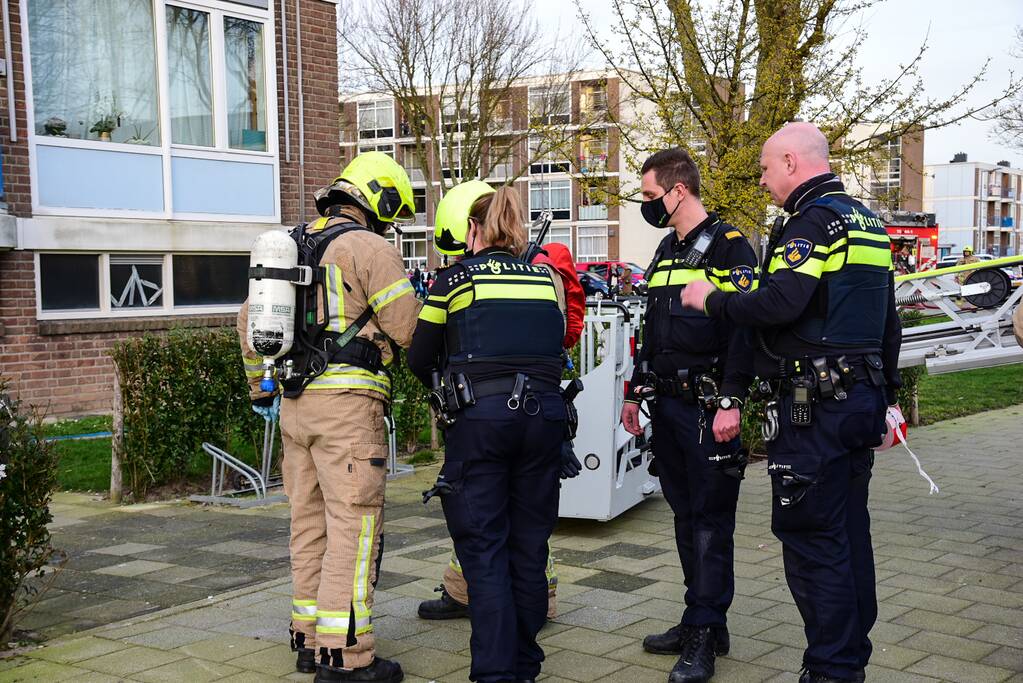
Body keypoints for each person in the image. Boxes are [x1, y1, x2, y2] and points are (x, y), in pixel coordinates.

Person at [681, 122, 902, 683]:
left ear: (788, 161)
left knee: (812, 538)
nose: (760, 181)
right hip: (859, 399)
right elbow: (888, 321)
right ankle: (850, 657)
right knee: (850, 532)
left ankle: (830, 670)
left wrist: (715, 301)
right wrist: (889, 398)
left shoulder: (812, 222)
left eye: (762, 168)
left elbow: (782, 301)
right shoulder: (867, 220)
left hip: (818, 407)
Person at [239, 151, 420, 683]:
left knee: (308, 524)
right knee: (354, 528)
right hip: (348, 409)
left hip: (293, 408)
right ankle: (345, 658)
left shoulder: (289, 244)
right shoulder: (367, 246)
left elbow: (248, 321)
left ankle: (308, 638)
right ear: (379, 199)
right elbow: (407, 328)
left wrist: (258, 387)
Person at [407, 182, 568, 683]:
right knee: (529, 547)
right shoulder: (543, 279)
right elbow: (556, 343)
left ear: (472, 229)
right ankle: (525, 665)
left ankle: (496, 675)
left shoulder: (455, 281)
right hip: (545, 422)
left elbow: (418, 357)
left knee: (484, 549)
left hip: (481, 425)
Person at [619, 148, 758, 683]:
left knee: (710, 522)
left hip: (708, 409)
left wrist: (733, 400)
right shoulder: (666, 249)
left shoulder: (729, 248)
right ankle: (701, 617)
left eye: (652, 195)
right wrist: (635, 392)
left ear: (679, 191)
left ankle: (704, 633)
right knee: (684, 518)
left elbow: (745, 331)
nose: (647, 205)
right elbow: (651, 333)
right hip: (668, 406)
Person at [416, 219, 586, 623]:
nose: (459, 260)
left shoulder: (541, 269)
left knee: (512, 522)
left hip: (500, 410)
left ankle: (537, 600)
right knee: (490, 515)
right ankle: (463, 590)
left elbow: (560, 333)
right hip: (535, 412)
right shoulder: (532, 271)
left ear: (475, 230)